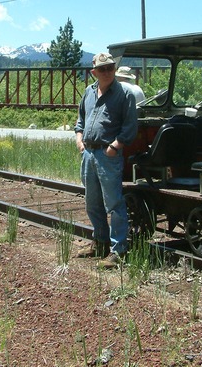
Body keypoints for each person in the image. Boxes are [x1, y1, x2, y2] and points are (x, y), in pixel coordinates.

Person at [74, 53, 138, 268]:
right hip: (89, 153)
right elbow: (80, 120)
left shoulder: (124, 94)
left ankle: (118, 250)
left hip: (108, 155)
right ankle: (100, 242)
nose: (107, 71)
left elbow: (130, 126)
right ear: (94, 72)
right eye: (102, 69)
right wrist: (80, 141)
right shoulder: (89, 92)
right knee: (92, 202)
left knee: (114, 203)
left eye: (110, 67)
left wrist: (115, 146)